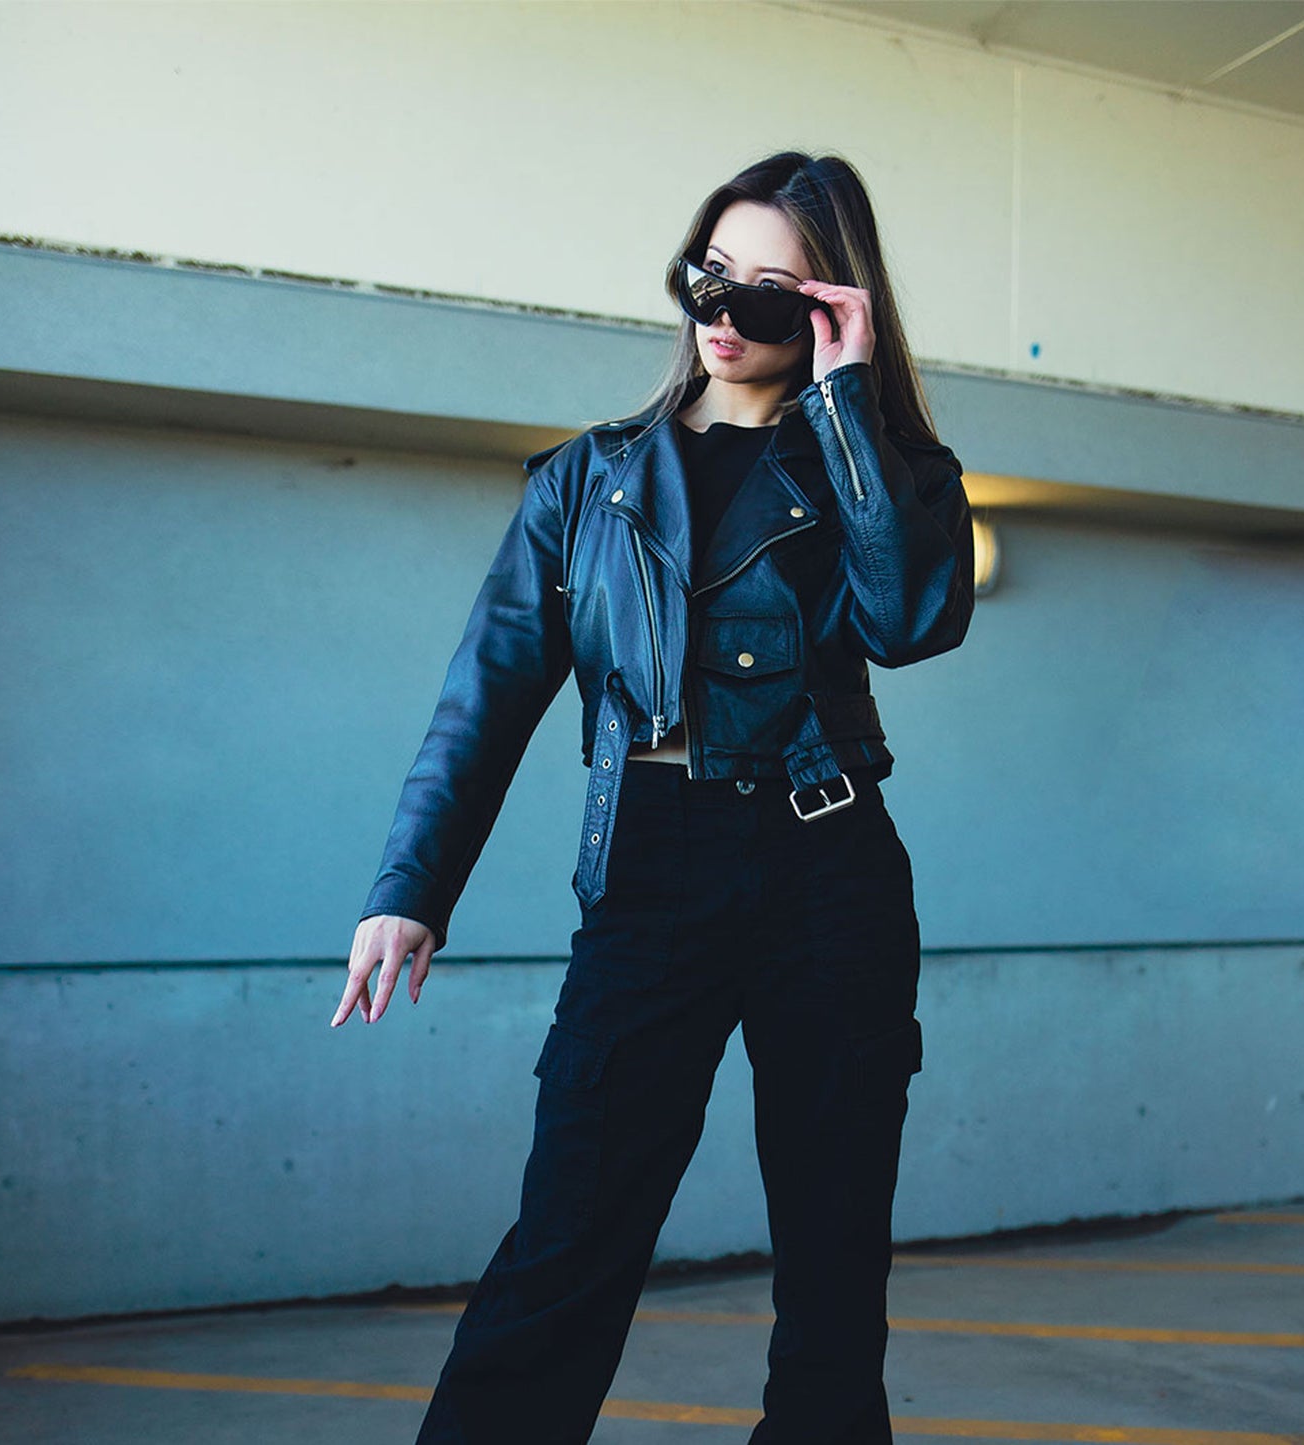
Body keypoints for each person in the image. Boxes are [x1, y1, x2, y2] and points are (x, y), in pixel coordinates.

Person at [332, 150, 975, 1445]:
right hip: (650, 865)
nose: (723, 315)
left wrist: (848, 403)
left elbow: (911, 619)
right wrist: (410, 888)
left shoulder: (886, 468)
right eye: (708, 277)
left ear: (831, 309)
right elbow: (485, 696)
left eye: (769, 294)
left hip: (827, 865)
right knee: (568, 1233)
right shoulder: (588, 480)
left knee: (834, 1255)